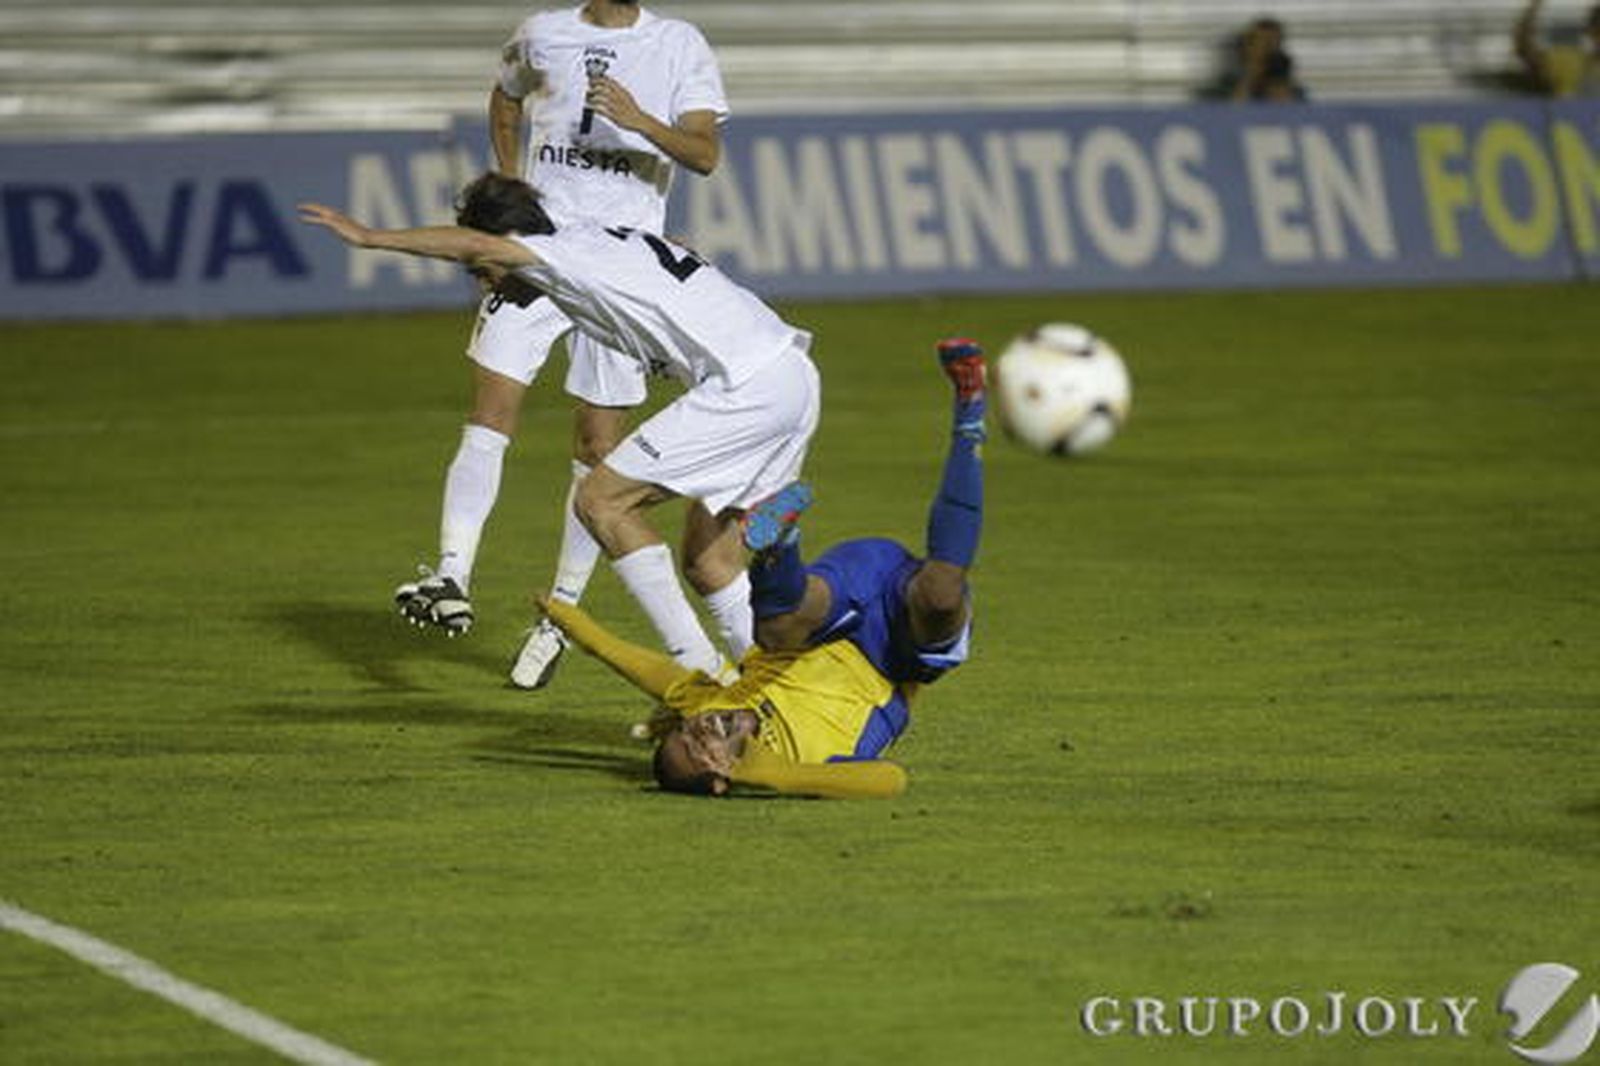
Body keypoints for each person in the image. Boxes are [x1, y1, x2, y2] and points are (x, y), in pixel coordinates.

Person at [299, 172, 820, 681]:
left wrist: (369, 237)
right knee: (709, 562)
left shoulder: (558, 255)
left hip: (744, 388)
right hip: (793, 374)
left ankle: (703, 677)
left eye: (482, 270)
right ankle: (778, 690)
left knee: (599, 500)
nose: (483, 282)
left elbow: (476, 246)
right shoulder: (604, 238)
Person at [400, 0, 735, 692]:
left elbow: (704, 155)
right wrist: (510, 174)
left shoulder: (679, 44)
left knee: (596, 449)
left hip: (620, 271)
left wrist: (642, 122)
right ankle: (452, 573)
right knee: (491, 412)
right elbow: (505, 95)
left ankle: (560, 616)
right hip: (537, 253)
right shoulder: (542, 32)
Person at [536, 337, 987, 799]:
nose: (701, 727)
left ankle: (781, 540)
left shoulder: (712, 704)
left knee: (773, 634)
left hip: (831, 609)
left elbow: (658, 677)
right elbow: (890, 780)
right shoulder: (802, 761)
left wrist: (578, 626)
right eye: (699, 745)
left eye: (688, 729)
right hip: (897, 654)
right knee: (941, 594)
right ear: (720, 778)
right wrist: (772, 776)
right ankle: (970, 409)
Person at [1211, 16, 1308, 103]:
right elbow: (1230, 110)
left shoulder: (1291, 87)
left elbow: (1293, 112)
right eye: (1262, 42)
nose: (1267, 49)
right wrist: (1251, 74)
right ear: (1246, 46)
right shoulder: (1225, 84)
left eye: (1273, 42)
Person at [1514, 0, 1600, 96]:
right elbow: (1524, 49)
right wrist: (1534, 5)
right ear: (1590, 32)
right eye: (1598, 29)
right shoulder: (1569, 60)